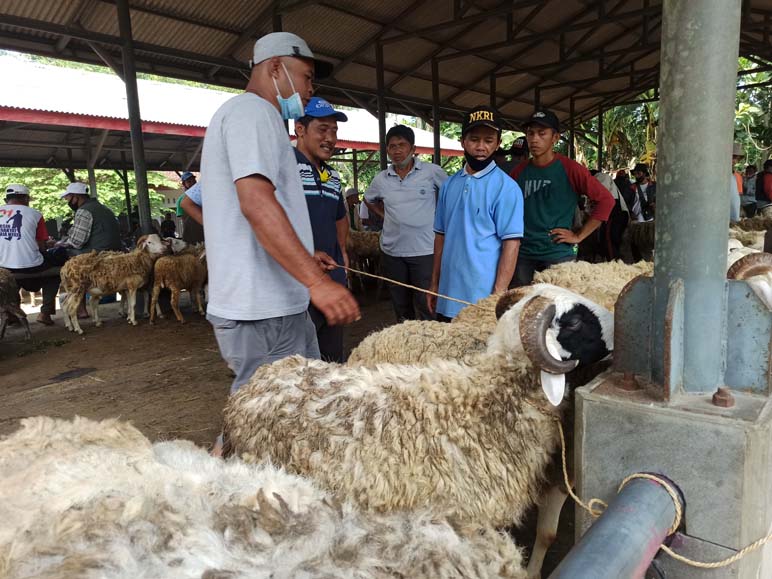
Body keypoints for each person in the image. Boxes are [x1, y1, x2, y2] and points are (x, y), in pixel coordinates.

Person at [200, 31, 359, 419]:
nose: (309, 88)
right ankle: (234, 473)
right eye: (305, 77)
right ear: (275, 68)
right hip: (261, 308)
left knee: (293, 411)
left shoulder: (264, 121)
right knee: (266, 419)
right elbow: (256, 202)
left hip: (277, 303)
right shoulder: (250, 113)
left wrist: (305, 257)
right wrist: (317, 282)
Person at [429, 106, 523, 321]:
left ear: (498, 144)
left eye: (489, 140)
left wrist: (497, 296)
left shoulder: (506, 188)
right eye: (474, 139)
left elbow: (512, 243)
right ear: (462, 141)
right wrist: (434, 283)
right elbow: (440, 236)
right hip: (446, 294)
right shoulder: (448, 185)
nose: (481, 147)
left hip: (481, 301)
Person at [509, 109, 614, 286]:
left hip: (557, 255)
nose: (534, 139)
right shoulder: (519, 172)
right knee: (522, 307)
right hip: (523, 255)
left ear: (555, 138)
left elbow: (606, 201)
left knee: (559, 308)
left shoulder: (570, 169)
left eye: (542, 134)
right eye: (530, 133)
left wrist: (579, 236)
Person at [364, 125, 448, 321]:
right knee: (401, 306)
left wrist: (442, 220)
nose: (397, 151)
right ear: (387, 151)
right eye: (392, 146)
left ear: (413, 148)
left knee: (427, 303)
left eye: (402, 145)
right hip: (393, 252)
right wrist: (386, 216)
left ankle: (431, 345)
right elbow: (368, 199)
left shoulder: (432, 172)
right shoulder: (382, 179)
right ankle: (407, 347)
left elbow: (451, 195)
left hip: (425, 251)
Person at [294, 96, 350, 363]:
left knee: (332, 361)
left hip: (331, 279)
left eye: (335, 130)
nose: (331, 137)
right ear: (300, 129)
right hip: (298, 284)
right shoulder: (283, 167)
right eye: (323, 129)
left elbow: (340, 217)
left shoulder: (332, 176)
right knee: (301, 364)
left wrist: (343, 253)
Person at [0, 184, 59, 325]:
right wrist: (48, 244)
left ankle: (12, 314)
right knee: (55, 273)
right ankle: (45, 313)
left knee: (10, 276)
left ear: (6, 199)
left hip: (3, 266)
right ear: (26, 198)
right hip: (32, 265)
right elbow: (41, 246)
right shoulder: (35, 214)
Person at [56, 182, 122, 256]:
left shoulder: (84, 211)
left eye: (68, 199)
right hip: (114, 250)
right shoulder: (102, 207)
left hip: (99, 253)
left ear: (76, 196)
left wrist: (60, 244)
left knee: (57, 253)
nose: (68, 202)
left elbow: (77, 242)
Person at [177, 172, 205, 243]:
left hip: (203, 226)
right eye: (189, 181)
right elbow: (183, 218)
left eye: (193, 180)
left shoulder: (202, 193)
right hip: (191, 228)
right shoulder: (181, 200)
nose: (192, 183)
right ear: (184, 184)